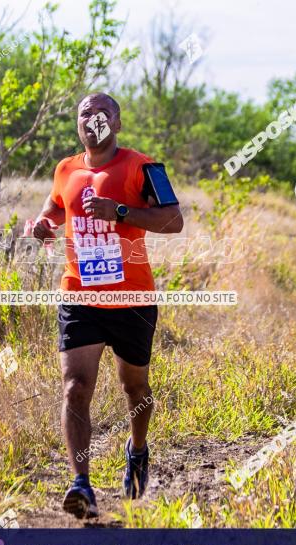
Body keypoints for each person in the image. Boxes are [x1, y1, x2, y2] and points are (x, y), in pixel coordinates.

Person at [31, 92, 184, 518]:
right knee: (75, 387)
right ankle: (81, 484)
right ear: (77, 124)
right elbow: (53, 210)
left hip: (131, 296)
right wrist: (43, 226)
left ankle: (137, 449)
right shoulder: (65, 168)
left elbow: (173, 221)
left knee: (134, 388)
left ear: (116, 123)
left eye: (102, 113)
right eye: (85, 113)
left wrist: (118, 210)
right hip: (79, 294)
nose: (92, 119)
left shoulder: (144, 166)